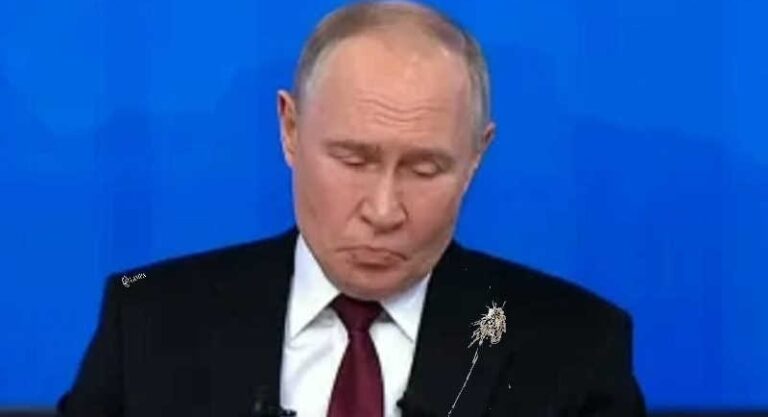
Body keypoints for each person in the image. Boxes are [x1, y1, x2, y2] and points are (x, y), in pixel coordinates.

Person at [58, 1, 646, 416]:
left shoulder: (576, 347)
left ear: (476, 157)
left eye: (424, 169)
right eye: (353, 159)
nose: (384, 210)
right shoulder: (150, 321)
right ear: (290, 129)